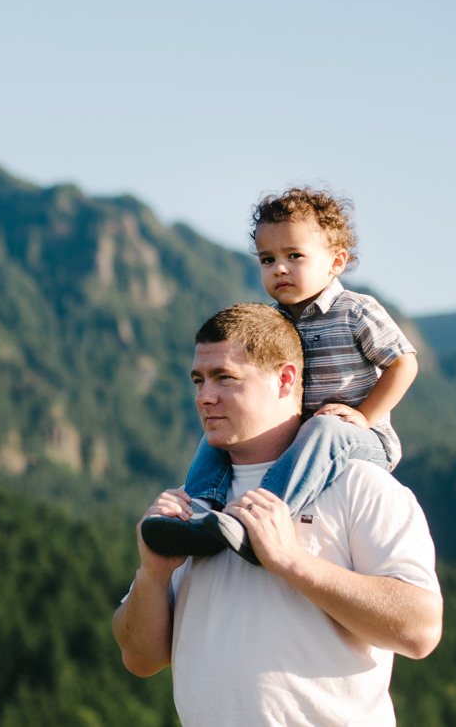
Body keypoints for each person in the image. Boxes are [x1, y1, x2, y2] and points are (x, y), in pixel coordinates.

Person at [113, 304, 442, 726]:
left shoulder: (361, 486)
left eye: (224, 378)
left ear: (285, 379)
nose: (204, 396)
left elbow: (420, 631)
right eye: (198, 380)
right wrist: (153, 574)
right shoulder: (195, 503)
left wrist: (292, 562)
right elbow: (139, 658)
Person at [143, 186, 419, 563]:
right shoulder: (275, 320)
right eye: (267, 259)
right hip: (303, 435)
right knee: (218, 434)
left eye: (294, 256)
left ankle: (261, 519)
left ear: (336, 262)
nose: (280, 268)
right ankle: (199, 512)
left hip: (360, 437)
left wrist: (364, 417)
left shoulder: (355, 310)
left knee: (325, 430)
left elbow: (404, 364)